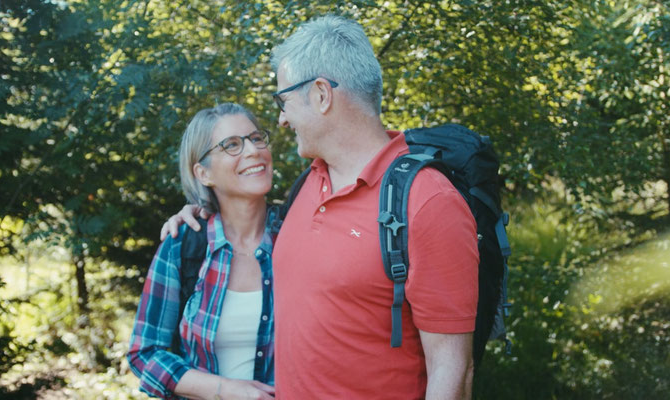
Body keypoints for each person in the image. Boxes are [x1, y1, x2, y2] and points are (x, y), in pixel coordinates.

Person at [164, 15, 479, 399]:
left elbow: (453, 372)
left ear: (320, 95)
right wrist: (200, 208)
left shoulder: (427, 202)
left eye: (283, 101)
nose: (280, 119)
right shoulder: (308, 186)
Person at [128, 103, 276, 400]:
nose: (252, 151)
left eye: (256, 138)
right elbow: (145, 353)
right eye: (231, 145)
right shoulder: (182, 244)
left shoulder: (300, 234)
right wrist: (224, 390)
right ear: (203, 173)